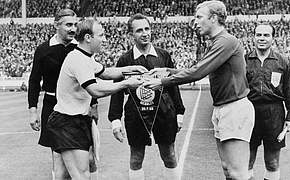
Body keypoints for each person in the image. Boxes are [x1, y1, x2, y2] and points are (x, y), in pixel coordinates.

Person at [143, 1, 254, 180]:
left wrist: (163, 81)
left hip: (234, 109)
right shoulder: (217, 42)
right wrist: (169, 71)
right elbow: (199, 68)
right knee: (227, 169)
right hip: (223, 108)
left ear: (214, 18)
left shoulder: (226, 41)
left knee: (238, 173)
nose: (195, 22)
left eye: (199, 17)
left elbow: (197, 72)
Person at [46, 18, 147, 180]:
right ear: (88, 38)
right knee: (81, 175)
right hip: (68, 123)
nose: (105, 39)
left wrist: (130, 69)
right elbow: (95, 90)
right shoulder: (78, 59)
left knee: (63, 175)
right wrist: (126, 84)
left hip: (71, 121)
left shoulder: (85, 57)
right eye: (101, 35)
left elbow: (106, 73)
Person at [108, 13, 185, 180]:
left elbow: (173, 84)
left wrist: (179, 112)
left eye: (147, 28)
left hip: (164, 112)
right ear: (131, 35)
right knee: (136, 158)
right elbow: (117, 90)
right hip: (135, 114)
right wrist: (115, 120)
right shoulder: (125, 60)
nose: (145, 33)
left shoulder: (163, 55)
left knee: (169, 155)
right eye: (139, 30)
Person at [27, 9, 101, 179]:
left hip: (81, 106)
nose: (73, 29)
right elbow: (34, 81)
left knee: (89, 157)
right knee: (59, 158)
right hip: (53, 106)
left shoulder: (80, 48)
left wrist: (94, 104)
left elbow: (92, 76)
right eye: (68, 25)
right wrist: (33, 111)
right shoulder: (43, 50)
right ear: (56, 25)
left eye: (75, 25)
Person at [245, 23, 290, 180]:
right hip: (250, 112)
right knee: (247, 162)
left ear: (273, 38)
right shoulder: (244, 60)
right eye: (259, 35)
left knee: (272, 162)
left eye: (266, 35)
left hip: (274, 114)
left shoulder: (283, 61)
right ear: (253, 37)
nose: (262, 38)